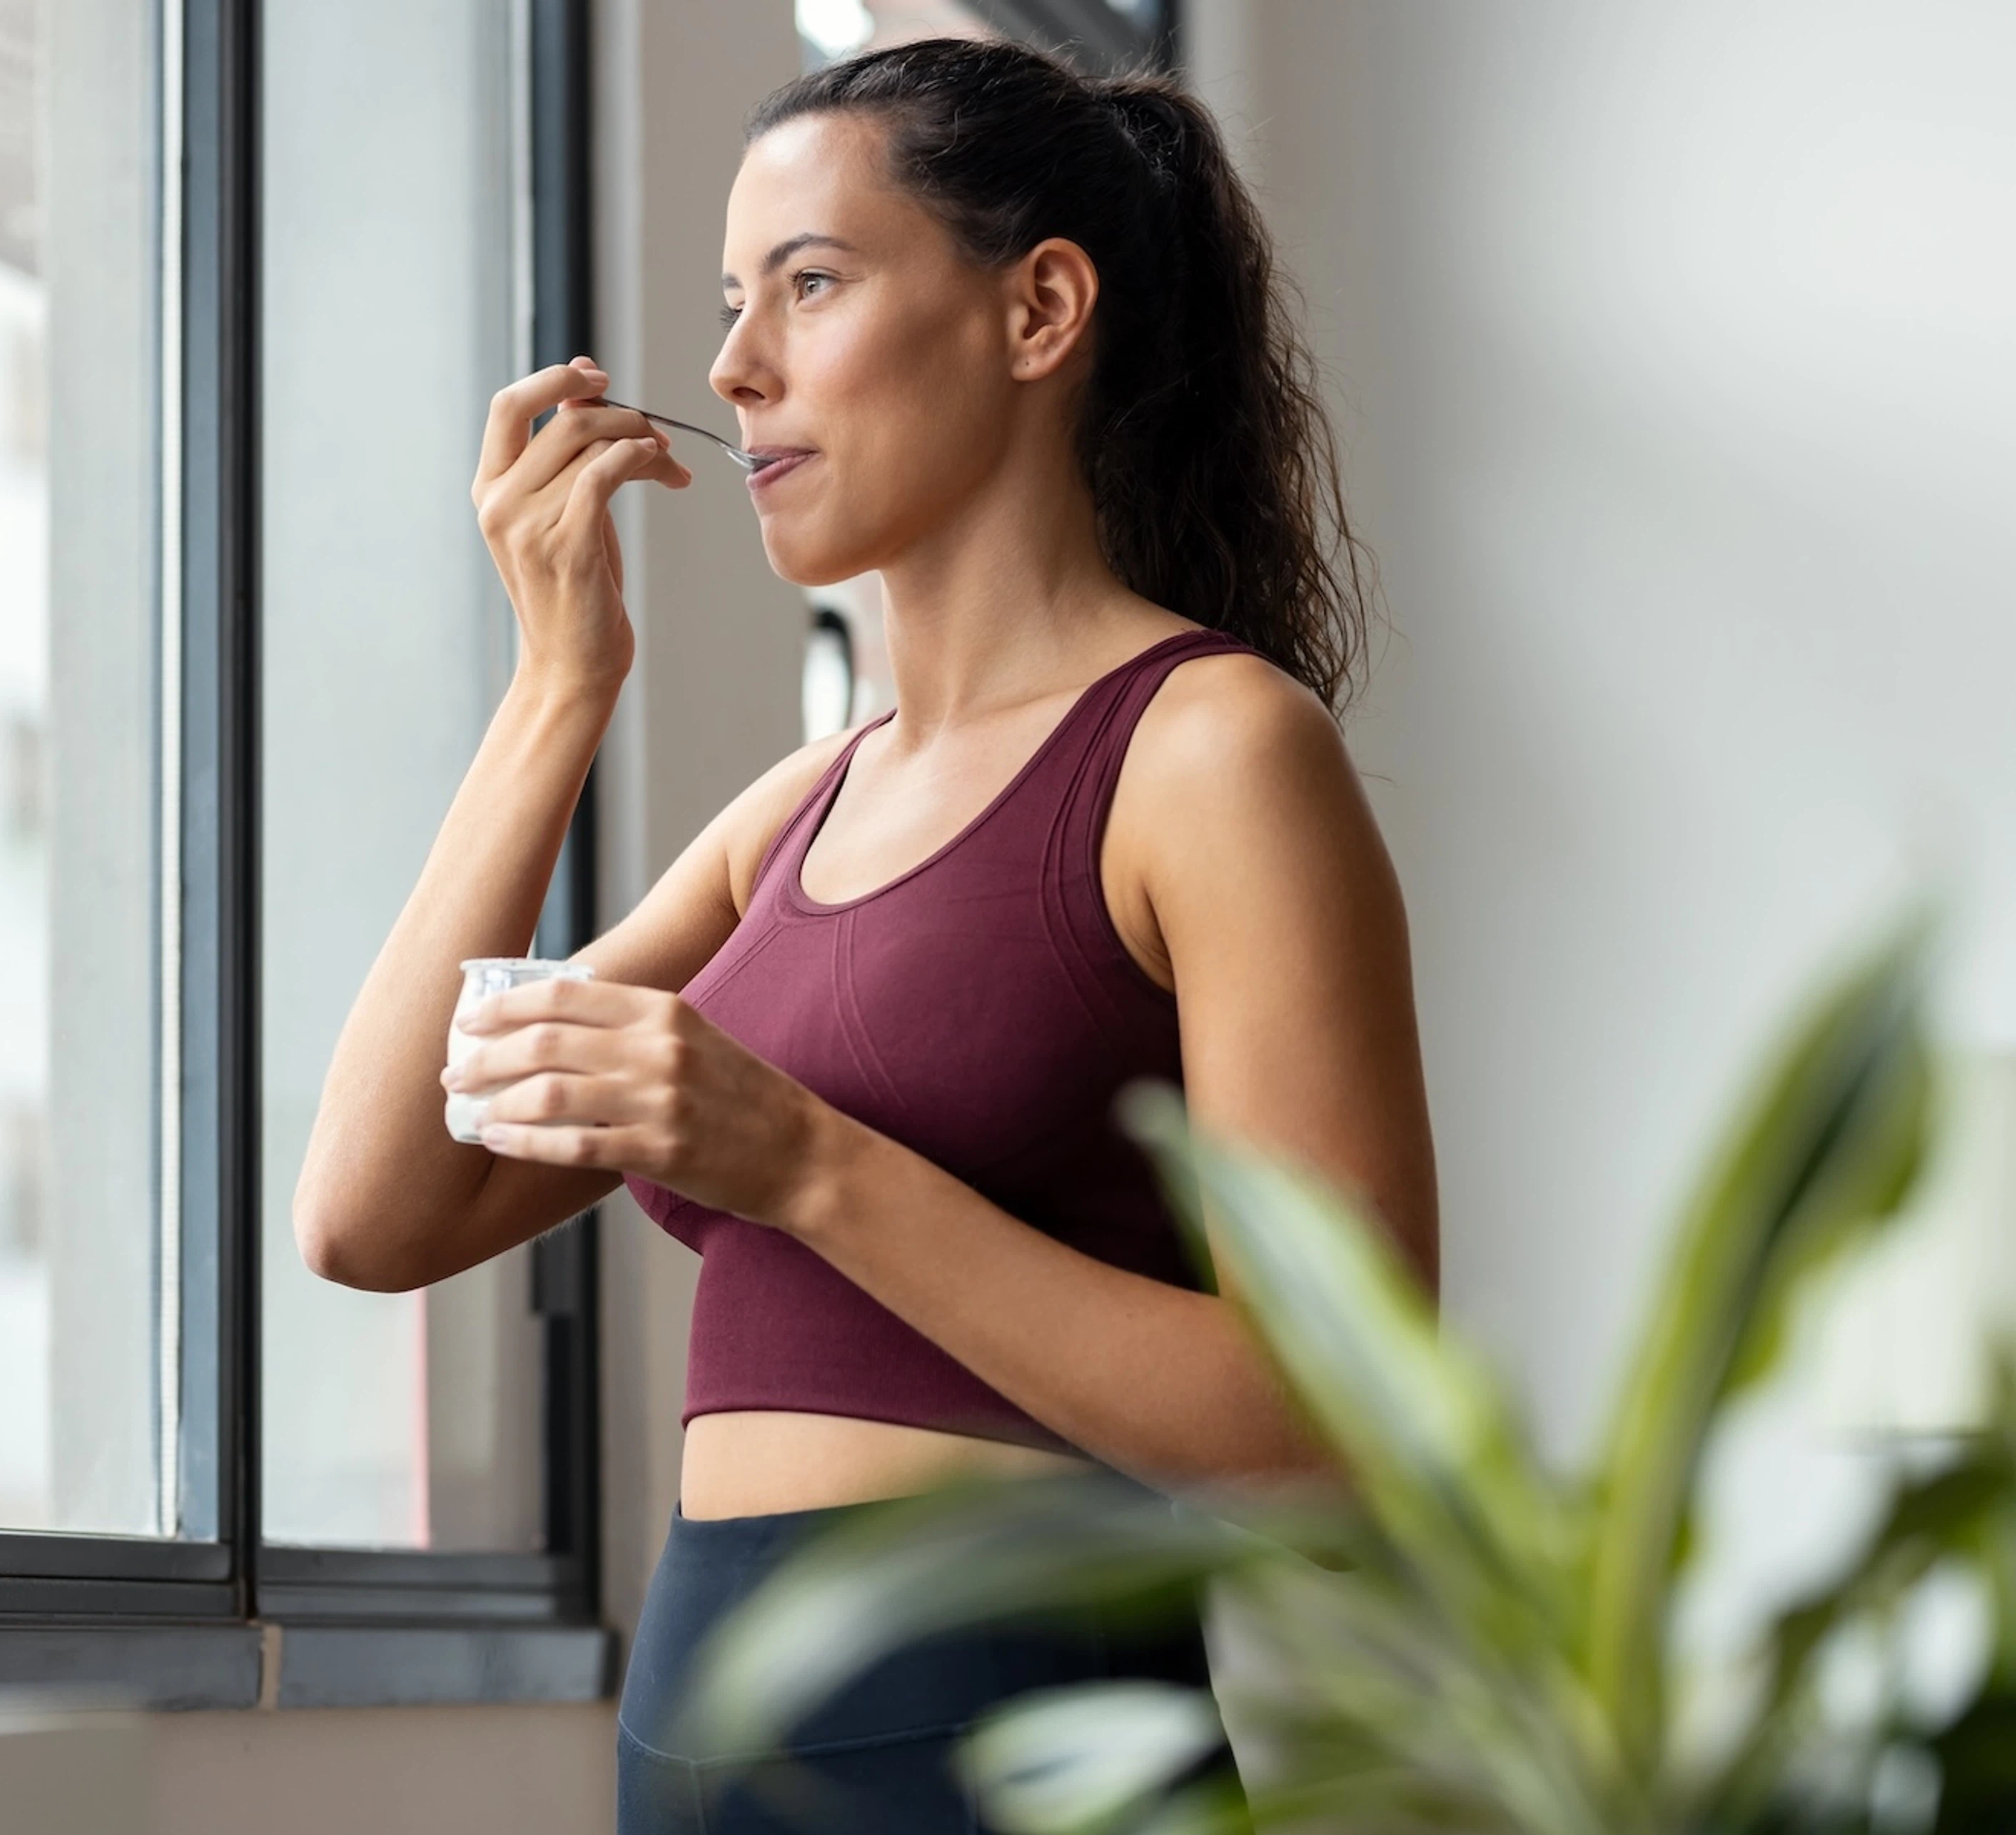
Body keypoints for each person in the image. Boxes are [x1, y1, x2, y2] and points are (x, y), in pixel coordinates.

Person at [293, 37, 1439, 1835]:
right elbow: (370, 1212)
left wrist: (803, 1164)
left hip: (1012, 1751)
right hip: (694, 1746)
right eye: (732, 304)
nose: (736, 368)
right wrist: (556, 690)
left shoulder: (1211, 753)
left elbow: (1336, 1421)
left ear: (1040, 308)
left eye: (811, 285)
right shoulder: (793, 815)